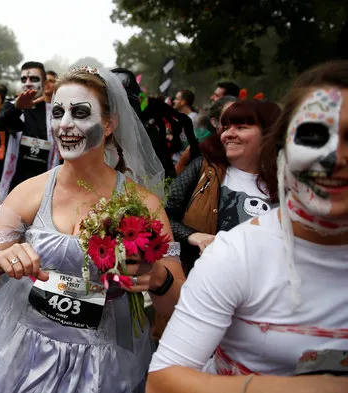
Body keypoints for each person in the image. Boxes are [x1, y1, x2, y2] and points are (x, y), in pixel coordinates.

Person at [0, 67, 184, 393]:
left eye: (80, 113)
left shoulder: (143, 204)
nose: (65, 124)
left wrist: (156, 277)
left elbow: (173, 304)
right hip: (25, 357)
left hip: (104, 368)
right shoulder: (30, 192)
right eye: (57, 112)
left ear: (109, 124)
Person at [148, 60, 348, 393]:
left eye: (242, 126)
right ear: (284, 145)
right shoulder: (233, 245)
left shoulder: (273, 183)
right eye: (314, 136)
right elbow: (162, 380)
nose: (335, 157)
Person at [165, 99, 281, 275]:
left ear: (268, 134)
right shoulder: (205, 168)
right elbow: (162, 214)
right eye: (226, 128)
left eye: (241, 127)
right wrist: (192, 236)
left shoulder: (289, 183)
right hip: (202, 283)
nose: (228, 134)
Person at [0, 61, 61, 199]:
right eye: (24, 79)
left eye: (34, 79)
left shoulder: (55, 112)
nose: (28, 83)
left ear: (43, 84)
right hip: (15, 185)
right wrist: (17, 109)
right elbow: (0, 123)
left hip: (43, 185)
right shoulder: (12, 107)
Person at [174, 95, 238, 174]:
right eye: (229, 116)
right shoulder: (198, 149)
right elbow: (176, 180)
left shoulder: (249, 153)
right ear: (215, 122)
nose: (236, 121)